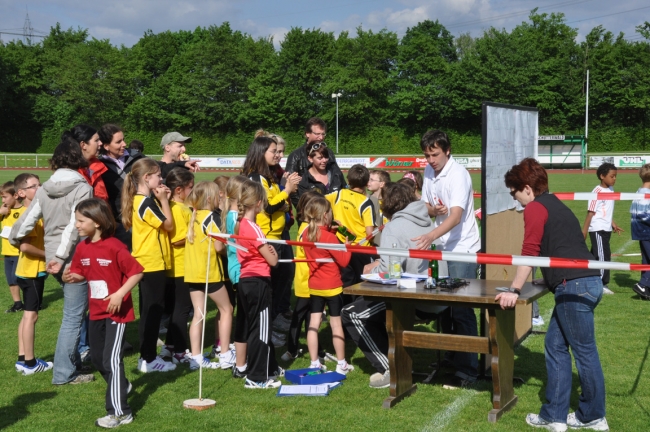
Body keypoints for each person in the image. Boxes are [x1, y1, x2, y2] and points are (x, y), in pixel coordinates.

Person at [496, 158, 607, 432]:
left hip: (575, 285)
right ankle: (555, 416)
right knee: (555, 346)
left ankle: (592, 415)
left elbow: (529, 252)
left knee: (584, 352)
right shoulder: (557, 204)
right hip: (585, 282)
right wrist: (545, 277)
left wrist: (514, 289)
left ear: (526, 188)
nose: (516, 200)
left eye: (514, 192)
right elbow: (563, 247)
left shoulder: (535, 208)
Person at [10, 139, 96, 385]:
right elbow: (74, 225)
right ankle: (64, 373)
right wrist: (60, 258)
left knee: (75, 314)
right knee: (73, 316)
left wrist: (15, 239)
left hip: (55, 259)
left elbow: (26, 221)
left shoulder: (45, 187)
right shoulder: (82, 187)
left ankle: (72, 364)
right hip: (69, 259)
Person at [343, 182, 433, 388]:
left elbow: (391, 270)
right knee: (368, 310)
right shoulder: (428, 220)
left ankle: (392, 367)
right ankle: (396, 356)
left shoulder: (394, 227)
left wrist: (370, 270)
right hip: (434, 296)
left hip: (410, 298)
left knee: (351, 313)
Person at [64, 199, 143, 429]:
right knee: (97, 358)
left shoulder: (115, 246)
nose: (76, 225)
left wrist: (119, 294)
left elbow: (136, 273)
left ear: (97, 222)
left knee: (111, 359)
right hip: (96, 311)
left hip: (117, 313)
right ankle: (122, 385)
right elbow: (80, 272)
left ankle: (120, 412)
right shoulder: (82, 247)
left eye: (81, 220)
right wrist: (71, 276)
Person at [412, 129, 480, 388]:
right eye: (427, 155)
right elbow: (427, 206)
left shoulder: (459, 175)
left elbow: (455, 216)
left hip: (462, 248)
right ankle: (452, 356)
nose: (430, 160)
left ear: (447, 150)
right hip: (442, 246)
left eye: (435, 154)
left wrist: (429, 235)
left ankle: (468, 370)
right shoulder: (430, 172)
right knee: (444, 305)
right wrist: (431, 210)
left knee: (462, 308)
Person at [241, 135, 300, 347]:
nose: (278, 155)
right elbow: (267, 206)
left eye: (279, 151)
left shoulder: (269, 176)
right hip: (265, 238)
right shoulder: (255, 177)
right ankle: (267, 330)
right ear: (260, 153)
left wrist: (282, 199)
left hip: (278, 237)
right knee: (270, 287)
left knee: (283, 280)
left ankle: (274, 323)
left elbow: (276, 204)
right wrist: (287, 191)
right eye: (273, 151)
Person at [121, 158, 176, 373]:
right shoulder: (144, 202)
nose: (161, 179)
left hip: (148, 261)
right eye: (158, 175)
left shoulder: (141, 201)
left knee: (150, 310)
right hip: (151, 262)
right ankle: (149, 359)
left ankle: (147, 357)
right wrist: (163, 201)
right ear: (147, 178)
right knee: (153, 311)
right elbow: (169, 225)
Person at [234, 179, 282, 389]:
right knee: (260, 331)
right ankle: (256, 377)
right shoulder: (253, 227)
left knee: (257, 328)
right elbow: (272, 260)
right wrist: (272, 252)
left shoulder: (242, 224)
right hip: (258, 281)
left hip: (247, 280)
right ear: (258, 202)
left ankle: (268, 369)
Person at [184, 181, 235, 370]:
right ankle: (225, 354)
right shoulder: (212, 217)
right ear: (209, 198)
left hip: (192, 272)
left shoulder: (195, 215)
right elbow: (219, 247)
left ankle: (195, 357)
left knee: (199, 313)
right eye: (217, 196)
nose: (220, 198)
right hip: (209, 272)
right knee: (227, 309)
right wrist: (230, 248)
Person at [303, 196, 354, 375]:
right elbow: (344, 261)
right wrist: (346, 246)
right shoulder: (329, 238)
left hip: (314, 285)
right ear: (325, 215)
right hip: (332, 286)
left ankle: (314, 362)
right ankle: (341, 363)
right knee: (336, 324)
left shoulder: (305, 233)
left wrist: (329, 230)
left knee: (313, 323)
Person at [11, 174, 50, 375]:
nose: (39, 188)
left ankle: (21, 359)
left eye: (39, 184)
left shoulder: (33, 212)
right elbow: (25, 247)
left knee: (27, 315)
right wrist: (49, 255)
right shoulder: (29, 215)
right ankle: (31, 363)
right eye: (34, 186)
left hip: (26, 271)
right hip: (31, 271)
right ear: (21, 193)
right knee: (31, 316)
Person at [158, 168, 194, 364]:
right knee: (182, 310)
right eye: (190, 187)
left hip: (174, 266)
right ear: (179, 189)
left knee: (175, 310)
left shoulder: (171, 206)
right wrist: (196, 234)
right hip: (181, 266)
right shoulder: (178, 209)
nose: (193, 190)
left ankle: (169, 347)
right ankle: (180, 351)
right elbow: (177, 239)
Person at [281, 190, 322, 362]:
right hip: (308, 279)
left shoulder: (306, 226)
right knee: (301, 315)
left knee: (309, 315)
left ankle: (309, 348)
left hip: (308, 278)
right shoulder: (309, 229)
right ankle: (292, 349)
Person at [326, 164, 376, 286]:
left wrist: (331, 221)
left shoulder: (339, 194)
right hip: (360, 248)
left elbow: (318, 201)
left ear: (348, 180)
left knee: (346, 280)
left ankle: (345, 305)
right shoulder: (366, 202)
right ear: (366, 183)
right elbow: (370, 233)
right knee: (362, 283)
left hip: (342, 244)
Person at [99, 124, 146, 248]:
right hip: (119, 224)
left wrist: (181, 164)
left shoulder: (137, 156)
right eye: (118, 142)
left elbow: (156, 167)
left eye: (123, 139)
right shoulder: (99, 166)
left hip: (143, 218)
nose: (124, 144)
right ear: (106, 146)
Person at [222, 175, 250, 377]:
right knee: (245, 316)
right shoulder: (234, 218)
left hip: (238, 268)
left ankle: (242, 359)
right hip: (240, 269)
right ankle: (241, 361)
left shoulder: (231, 216)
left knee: (245, 315)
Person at [582, 162, 623, 295]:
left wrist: (612, 223)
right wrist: (584, 231)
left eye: (616, 176)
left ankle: (587, 279)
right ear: (602, 176)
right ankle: (601, 283)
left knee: (594, 255)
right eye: (612, 176)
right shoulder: (597, 192)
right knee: (603, 255)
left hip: (606, 228)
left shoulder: (610, 190)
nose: (614, 179)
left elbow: (605, 210)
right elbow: (591, 213)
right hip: (597, 229)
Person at [285, 117, 345, 182]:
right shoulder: (295, 155)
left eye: (323, 134)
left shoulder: (329, 153)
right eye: (317, 134)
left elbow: (338, 175)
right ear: (307, 134)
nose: (321, 137)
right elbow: (290, 182)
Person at [294, 141, 347, 213]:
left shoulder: (336, 172)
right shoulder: (304, 180)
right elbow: (304, 208)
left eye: (326, 157)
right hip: (317, 221)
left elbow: (345, 193)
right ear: (310, 158)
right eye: (320, 158)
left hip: (339, 220)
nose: (324, 160)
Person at [1, 180, 27, 313]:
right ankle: (17, 303)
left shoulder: (24, 211)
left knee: (18, 278)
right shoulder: (4, 212)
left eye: (5, 197)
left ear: (16, 196)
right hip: (7, 252)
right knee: (11, 280)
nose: (3, 200)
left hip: (19, 252)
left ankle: (32, 300)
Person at [65, 125, 109, 201]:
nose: (100, 143)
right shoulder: (70, 173)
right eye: (96, 140)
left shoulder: (97, 166)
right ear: (83, 145)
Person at [631, 163, 650, 300]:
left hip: (641, 231)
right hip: (646, 231)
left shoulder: (638, 192)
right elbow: (643, 215)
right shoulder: (645, 194)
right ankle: (642, 284)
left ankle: (646, 289)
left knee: (646, 260)